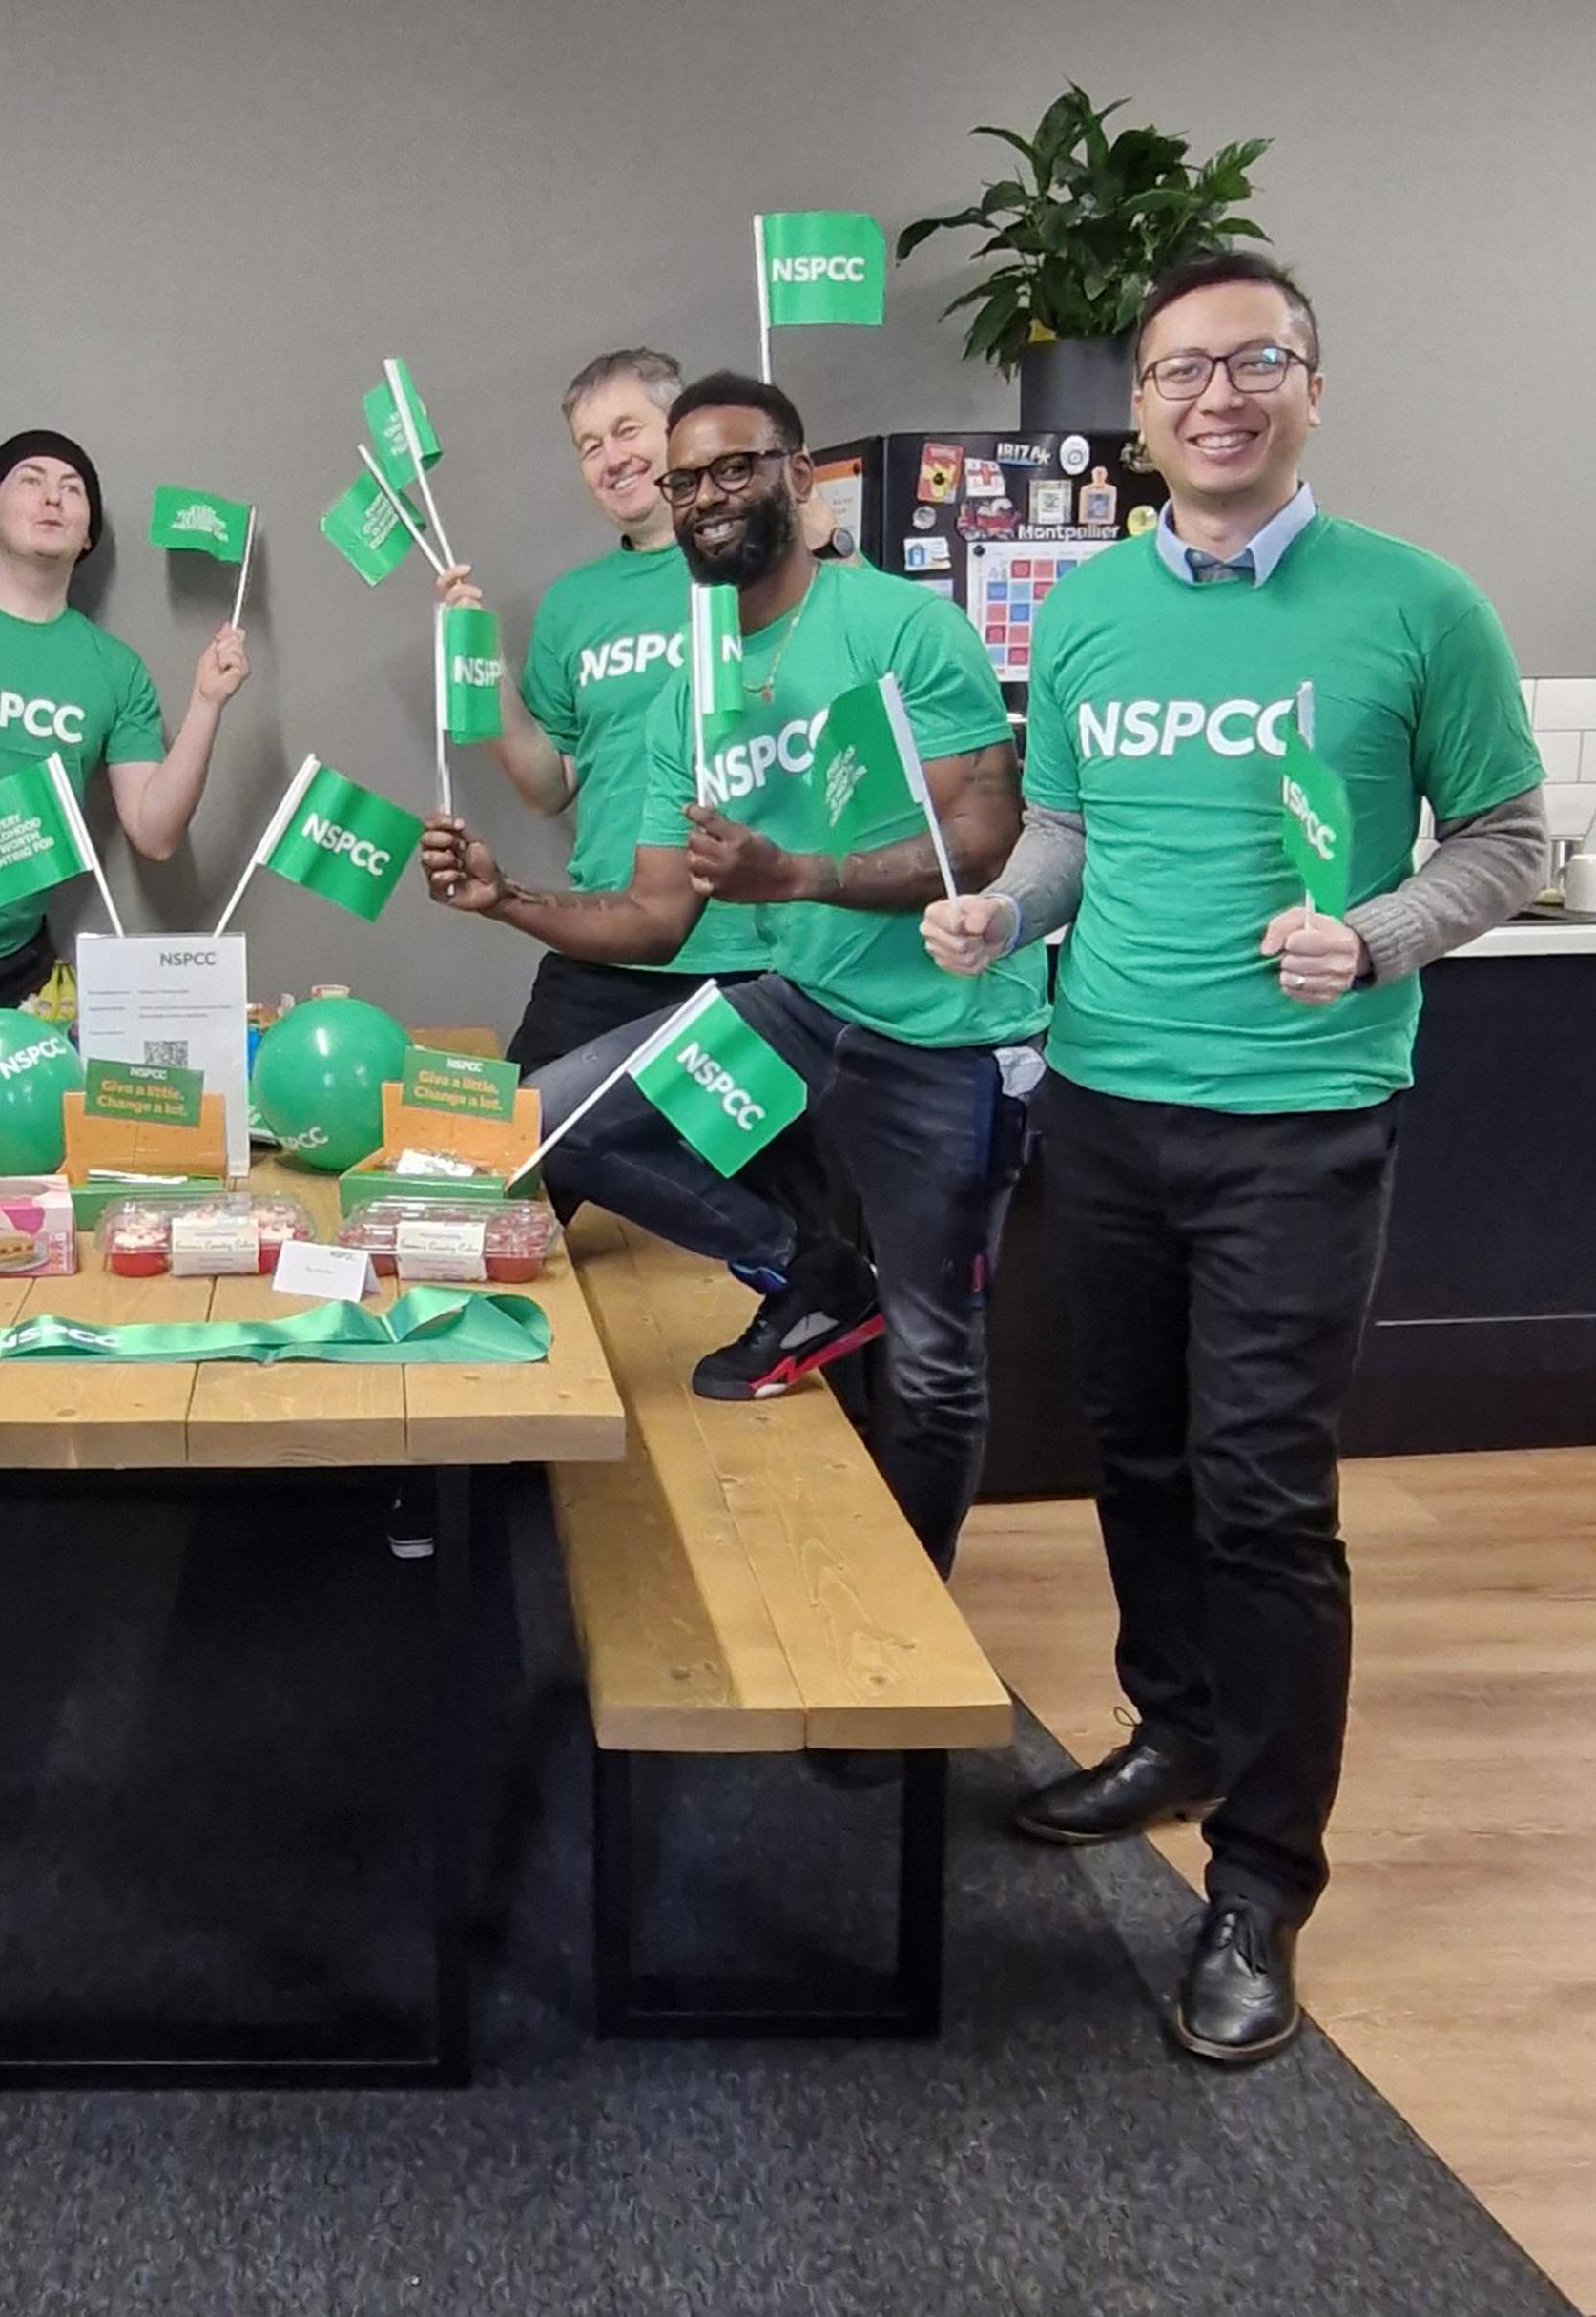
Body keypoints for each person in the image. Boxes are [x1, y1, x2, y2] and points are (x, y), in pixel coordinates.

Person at [922, 250, 1546, 2064]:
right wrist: (1003, 914)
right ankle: (1177, 1727)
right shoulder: (1092, 610)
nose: (1218, 394)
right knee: (1134, 1448)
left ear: (1310, 390)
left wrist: (1379, 932)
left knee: (1263, 1493)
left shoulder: (1418, 605)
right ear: (1138, 409)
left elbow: (1509, 835)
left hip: (1300, 1118)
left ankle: (1263, 1878)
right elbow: (1068, 825)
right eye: (1183, 369)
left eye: (1256, 362)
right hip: (1106, 1100)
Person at [420, 372, 1041, 1578]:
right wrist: (506, 899)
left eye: (735, 467)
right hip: (801, 1007)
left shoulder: (900, 628)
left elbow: (985, 837)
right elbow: (657, 916)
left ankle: (914, 1612)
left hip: (947, 1033)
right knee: (547, 1121)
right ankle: (816, 1271)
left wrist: (797, 873)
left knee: (933, 1358)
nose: (706, 496)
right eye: (686, 479)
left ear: (797, 477)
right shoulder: (688, 700)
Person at [433, 349, 771, 1076]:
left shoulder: (754, 572)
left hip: (748, 949)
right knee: (525, 1129)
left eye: (626, 430)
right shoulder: (572, 603)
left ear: (680, 431)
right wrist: (481, 664)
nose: (611, 459)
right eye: (589, 445)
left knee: (740, 1149)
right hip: (607, 936)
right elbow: (547, 784)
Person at [0, 428, 249, 1051]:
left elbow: (155, 832)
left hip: (15, 972)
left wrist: (207, 703)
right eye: (30, 480)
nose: (53, 498)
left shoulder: (115, 670)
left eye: (72, 490)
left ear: (87, 534)